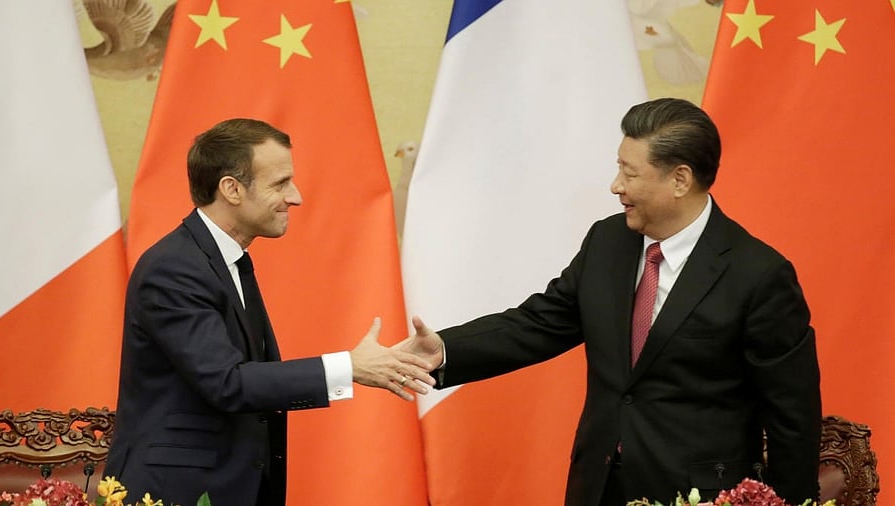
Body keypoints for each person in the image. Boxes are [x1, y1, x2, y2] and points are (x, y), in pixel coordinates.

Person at [399, 98, 821, 505]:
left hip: (698, 496)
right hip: (599, 486)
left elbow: (792, 416)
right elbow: (540, 323)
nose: (616, 186)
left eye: (629, 173)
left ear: (680, 180)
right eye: (618, 167)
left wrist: (792, 503)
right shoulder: (608, 241)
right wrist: (445, 350)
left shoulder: (758, 275)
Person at [104, 118, 435, 506]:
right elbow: (227, 382)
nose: (295, 197)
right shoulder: (173, 269)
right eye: (280, 183)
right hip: (177, 491)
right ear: (231, 189)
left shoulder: (226, 259)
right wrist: (350, 367)